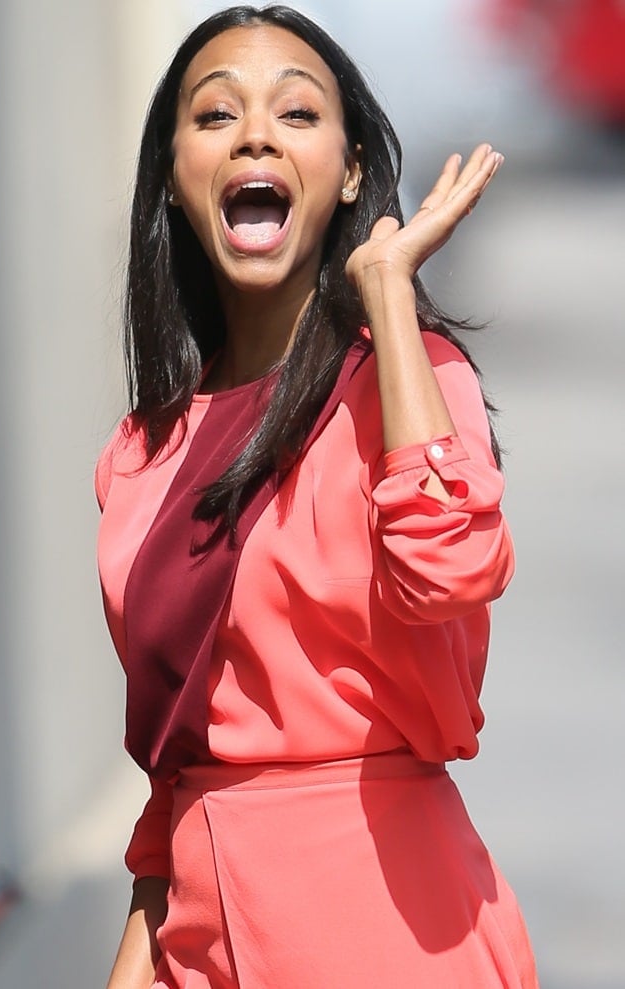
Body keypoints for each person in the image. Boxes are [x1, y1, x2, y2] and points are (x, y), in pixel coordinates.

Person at [96, 5, 539, 987]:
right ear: (171, 174)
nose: (255, 134)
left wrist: (387, 289)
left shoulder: (408, 379)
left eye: (296, 113)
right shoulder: (143, 450)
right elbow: (176, 772)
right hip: (202, 924)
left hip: (384, 925)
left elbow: (450, 570)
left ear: (346, 172)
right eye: (216, 115)